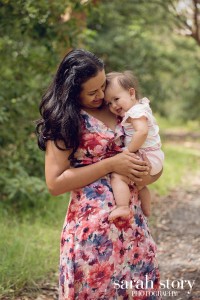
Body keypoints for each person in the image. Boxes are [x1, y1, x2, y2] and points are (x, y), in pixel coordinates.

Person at [36, 49, 162, 300]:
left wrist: (148, 175)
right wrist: (110, 165)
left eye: (102, 86)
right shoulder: (65, 121)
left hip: (132, 226)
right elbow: (54, 184)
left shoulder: (117, 105)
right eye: (92, 92)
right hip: (93, 231)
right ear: (72, 92)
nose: (101, 96)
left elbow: (149, 148)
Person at [104, 71, 164, 221]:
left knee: (118, 176)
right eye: (109, 103)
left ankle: (122, 207)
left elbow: (142, 132)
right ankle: (147, 210)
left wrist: (128, 150)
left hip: (146, 156)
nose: (114, 105)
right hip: (154, 156)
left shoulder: (135, 112)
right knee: (140, 186)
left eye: (116, 99)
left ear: (131, 93)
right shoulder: (140, 107)